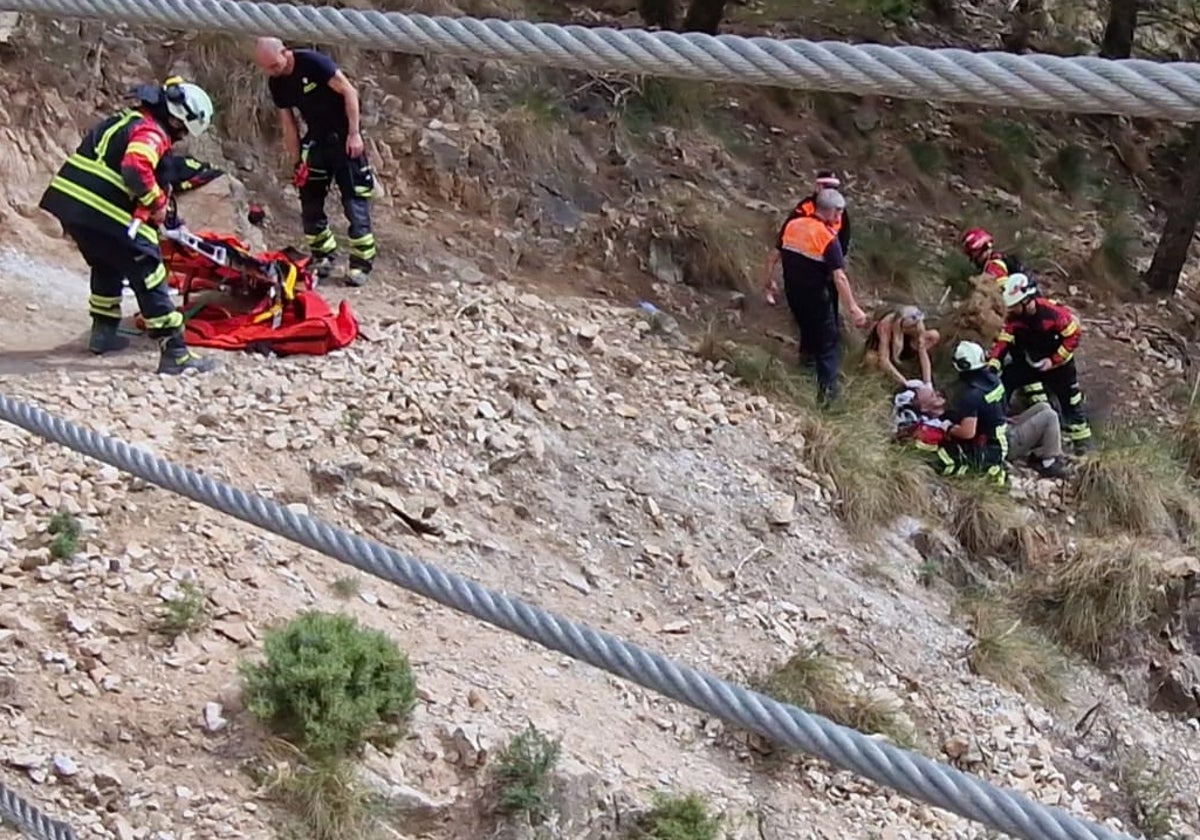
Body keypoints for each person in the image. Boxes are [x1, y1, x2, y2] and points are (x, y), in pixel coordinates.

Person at [37, 76, 218, 375]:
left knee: (107, 264)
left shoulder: (125, 119)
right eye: (184, 130)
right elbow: (136, 167)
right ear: (178, 118)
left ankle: (103, 332)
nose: (182, 136)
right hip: (107, 210)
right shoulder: (152, 132)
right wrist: (158, 204)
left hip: (72, 207)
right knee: (149, 272)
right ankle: (175, 353)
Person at [254, 37, 377, 287]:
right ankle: (323, 256)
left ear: (285, 53)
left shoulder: (313, 63)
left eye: (275, 65)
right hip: (316, 142)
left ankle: (360, 263)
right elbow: (288, 122)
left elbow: (349, 91)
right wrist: (297, 160)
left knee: (354, 202)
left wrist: (354, 133)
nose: (273, 71)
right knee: (310, 202)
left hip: (343, 139)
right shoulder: (276, 83)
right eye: (267, 68)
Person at [766, 188, 869, 405]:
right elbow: (839, 277)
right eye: (838, 212)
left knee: (807, 330)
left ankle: (804, 368)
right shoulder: (826, 237)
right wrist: (853, 308)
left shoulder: (793, 226)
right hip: (816, 298)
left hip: (793, 294)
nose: (840, 217)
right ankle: (828, 400)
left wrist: (769, 281)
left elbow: (774, 255)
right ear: (830, 211)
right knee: (829, 345)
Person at [988, 273, 1093, 455]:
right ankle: (998, 428)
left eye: (1014, 305)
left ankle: (1083, 447)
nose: (1011, 309)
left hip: (1059, 368)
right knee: (1006, 381)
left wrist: (1053, 361)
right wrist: (994, 363)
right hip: (1032, 362)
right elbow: (1004, 340)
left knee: (1071, 404)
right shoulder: (1014, 317)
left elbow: (1073, 335)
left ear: (1027, 301)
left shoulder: (1053, 314)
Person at [894, 377, 1068, 479]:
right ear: (924, 408)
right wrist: (950, 428)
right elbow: (967, 434)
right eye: (933, 395)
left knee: (1043, 407)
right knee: (1049, 417)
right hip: (1000, 443)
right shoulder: (938, 422)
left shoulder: (949, 410)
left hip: (999, 429)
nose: (939, 395)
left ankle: (1039, 453)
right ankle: (1048, 462)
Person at [763, 170, 851, 299]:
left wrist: (837, 260)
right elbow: (784, 236)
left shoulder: (840, 210)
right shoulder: (804, 208)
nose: (832, 192)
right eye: (828, 187)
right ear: (818, 187)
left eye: (835, 188)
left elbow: (844, 237)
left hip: (828, 256)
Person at [864, 304, 940, 386]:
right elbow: (884, 360)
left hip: (903, 346)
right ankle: (882, 380)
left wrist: (928, 382)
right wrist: (905, 382)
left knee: (933, 335)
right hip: (884, 348)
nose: (915, 329)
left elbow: (923, 350)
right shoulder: (885, 327)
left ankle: (909, 364)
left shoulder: (918, 324)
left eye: (915, 326)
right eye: (911, 327)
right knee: (871, 358)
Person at [960, 227, 1024, 287]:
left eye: (972, 254)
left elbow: (1004, 290)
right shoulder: (1001, 257)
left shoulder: (993, 267)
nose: (972, 260)